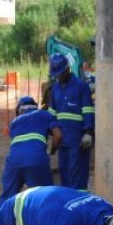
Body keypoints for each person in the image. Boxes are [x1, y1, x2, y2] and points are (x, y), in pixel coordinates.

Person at [0, 96, 61, 210]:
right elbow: (58, 135)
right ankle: (44, 224)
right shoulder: (44, 114)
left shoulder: (14, 122)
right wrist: (52, 152)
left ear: (19, 110)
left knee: (7, 197)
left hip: (14, 161)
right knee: (43, 197)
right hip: (36, 159)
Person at [46, 52, 94, 190]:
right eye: (57, 75)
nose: (59, 78)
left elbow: (88, 110)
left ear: (67, 69)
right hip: (63, 143)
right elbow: (52, 114)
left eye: (60, 74)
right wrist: (50, 132)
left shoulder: (81, 86)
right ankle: (67, 206)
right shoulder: (55, 89)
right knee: (65, 176)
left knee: (78, 177)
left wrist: (88, 132)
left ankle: (79, 206)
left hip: (78, 142)